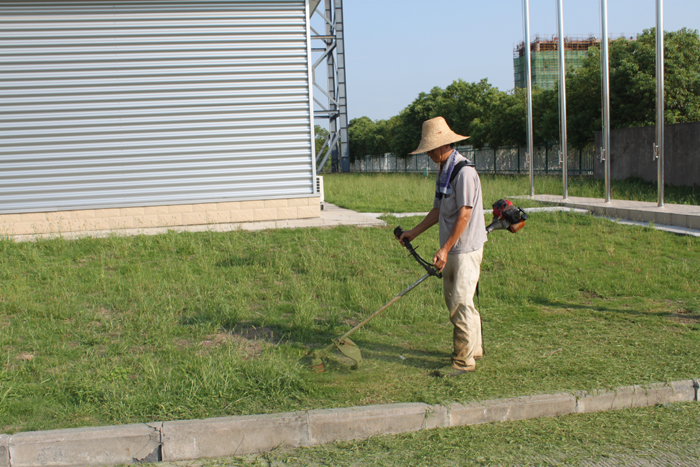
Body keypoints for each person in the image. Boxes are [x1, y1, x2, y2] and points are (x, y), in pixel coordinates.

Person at [397, 116, 487, 377]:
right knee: (459, 301)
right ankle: (474, 348)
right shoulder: (444, 171)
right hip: (452, 247)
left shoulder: (464, 172)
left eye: (428, 151)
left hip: (465, 248)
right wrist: (413, 233)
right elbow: (438, 211)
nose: (427, 156)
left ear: (439, 147)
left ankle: (463, 361)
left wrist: (445, 248)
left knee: (460, 301)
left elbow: (464, 215)